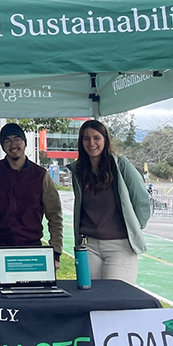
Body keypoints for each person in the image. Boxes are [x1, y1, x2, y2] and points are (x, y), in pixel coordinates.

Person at [67, 119, 150, 285]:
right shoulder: (78, 170)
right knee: (91, 299)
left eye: (96, 138)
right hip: (88, 246)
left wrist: (133, 227)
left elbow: (141, 201)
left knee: (117, 299)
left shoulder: (121, 166)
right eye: (86, 138)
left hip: (120, 246)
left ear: (105, 140)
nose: (91, 143)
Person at [0, 123, 63, 279]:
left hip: (33, 249)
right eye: (7, 141)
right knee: (2, 300)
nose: (13, 145)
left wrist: (56, 252)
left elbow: (54, 215)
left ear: (25, 143)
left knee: (33, 299)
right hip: (1, 249)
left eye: (17, 139)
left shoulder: (40, 175)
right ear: (2, 146)